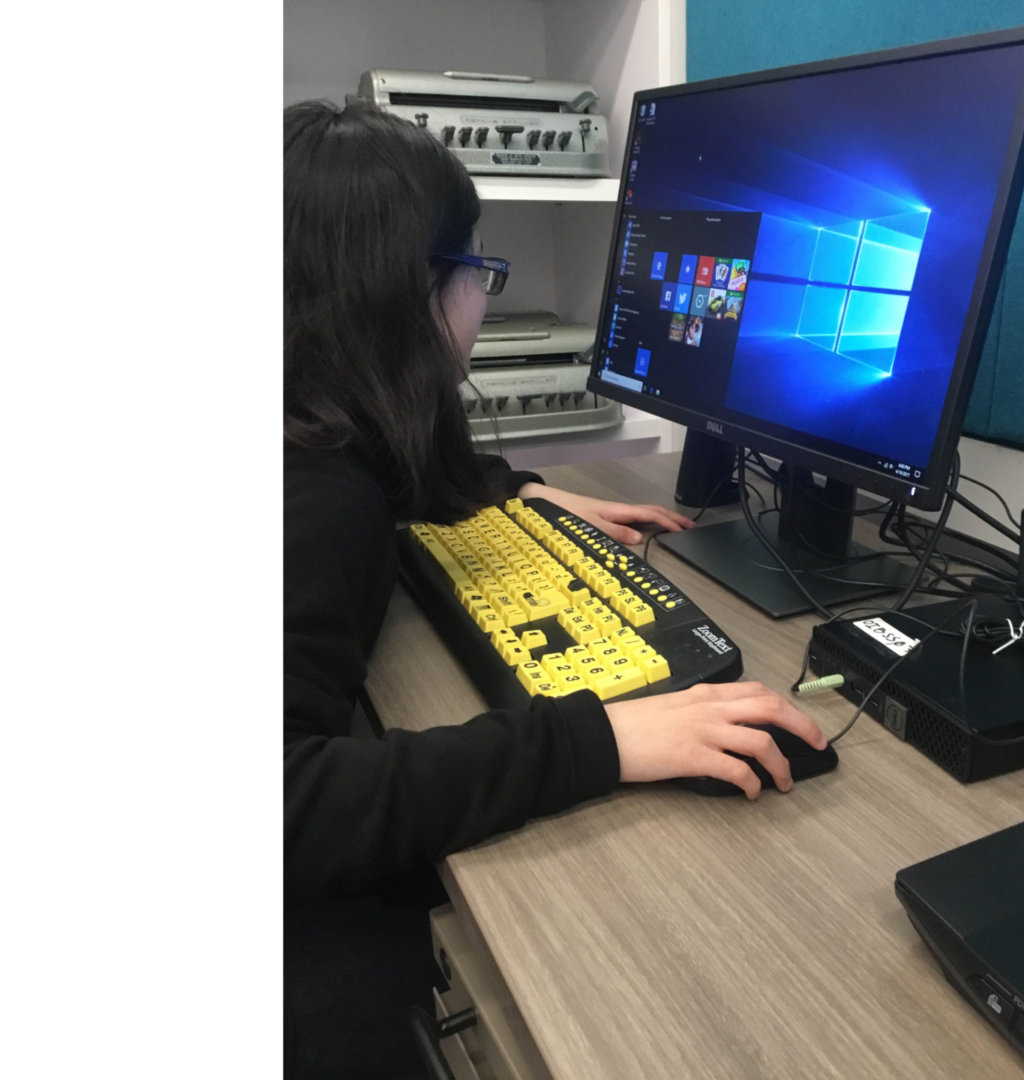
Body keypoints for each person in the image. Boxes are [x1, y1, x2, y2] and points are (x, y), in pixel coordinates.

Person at [281, 101, 829, 1080]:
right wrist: (605, 738)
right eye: (479, 272)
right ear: (408, 301)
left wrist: (521, 493)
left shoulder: (316, 432)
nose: (484, 302)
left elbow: (394, 470)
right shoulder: (315, 502)